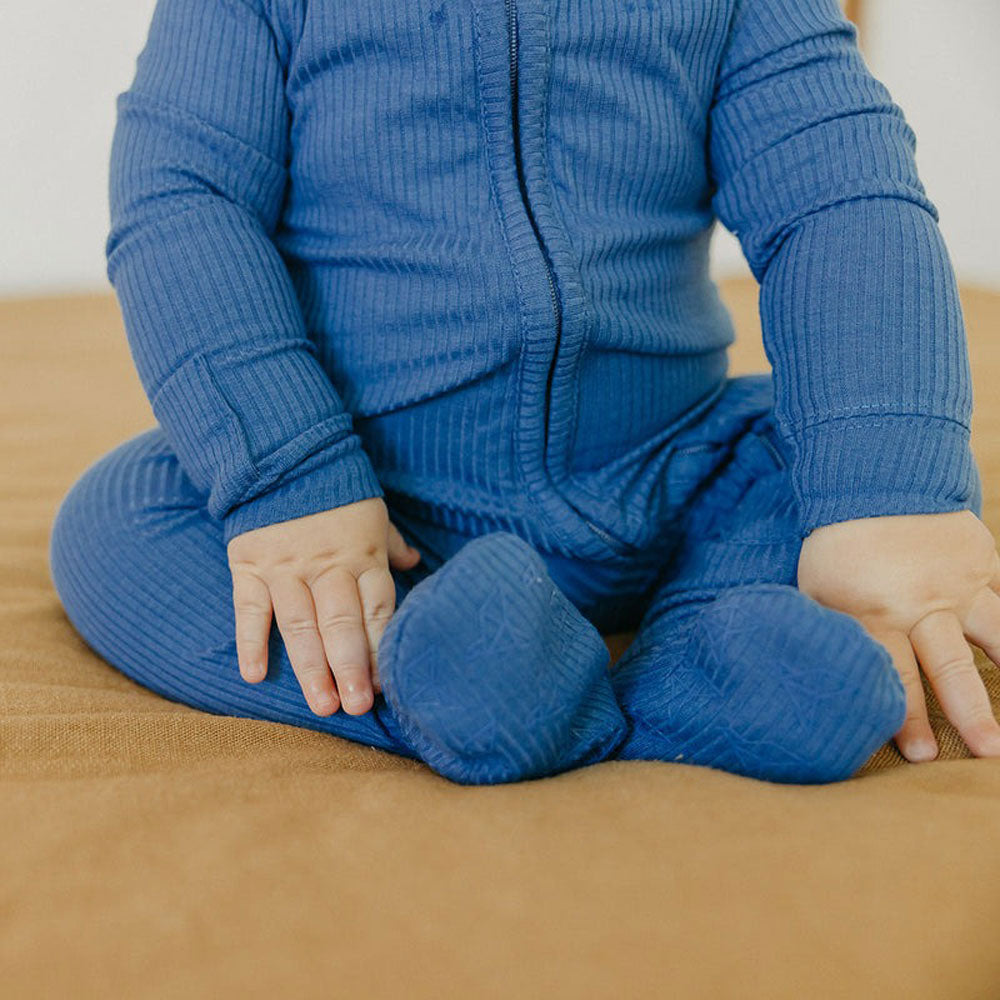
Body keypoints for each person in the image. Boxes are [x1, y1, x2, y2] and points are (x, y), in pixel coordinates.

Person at [49, 0, 1000, 785]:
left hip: (676, 470)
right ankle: (468, 684)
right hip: (380, 516)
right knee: (117, 520)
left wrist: (890, 500)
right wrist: (292, 476)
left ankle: (699, 664)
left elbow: (838, 196)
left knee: (842, 454)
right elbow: (186, 200)